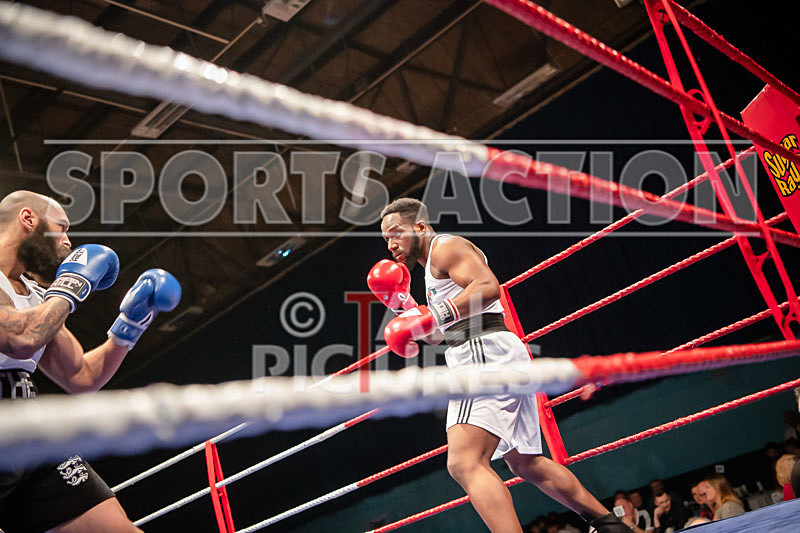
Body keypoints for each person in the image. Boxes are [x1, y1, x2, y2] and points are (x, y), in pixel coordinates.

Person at [370, 198, 629, 532]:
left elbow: (488, 287)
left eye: (395, 233)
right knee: (525, 463)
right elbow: (437, 335)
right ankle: (610, 526)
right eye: (386, 239)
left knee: (464, 463)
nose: (391, 244)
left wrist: (432, 314)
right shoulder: (431, 270)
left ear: (420, 226)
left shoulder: (445, 247)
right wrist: (402, 304)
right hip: (489, 350)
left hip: (482, 354)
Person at [0, 191, 181, 533]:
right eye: (61, 227)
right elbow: (20, 338)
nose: (68, 241)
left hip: (27, 430)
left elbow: (80, 376)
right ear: (28, 219)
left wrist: (130, 325)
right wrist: (71, 286)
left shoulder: (36, 296)